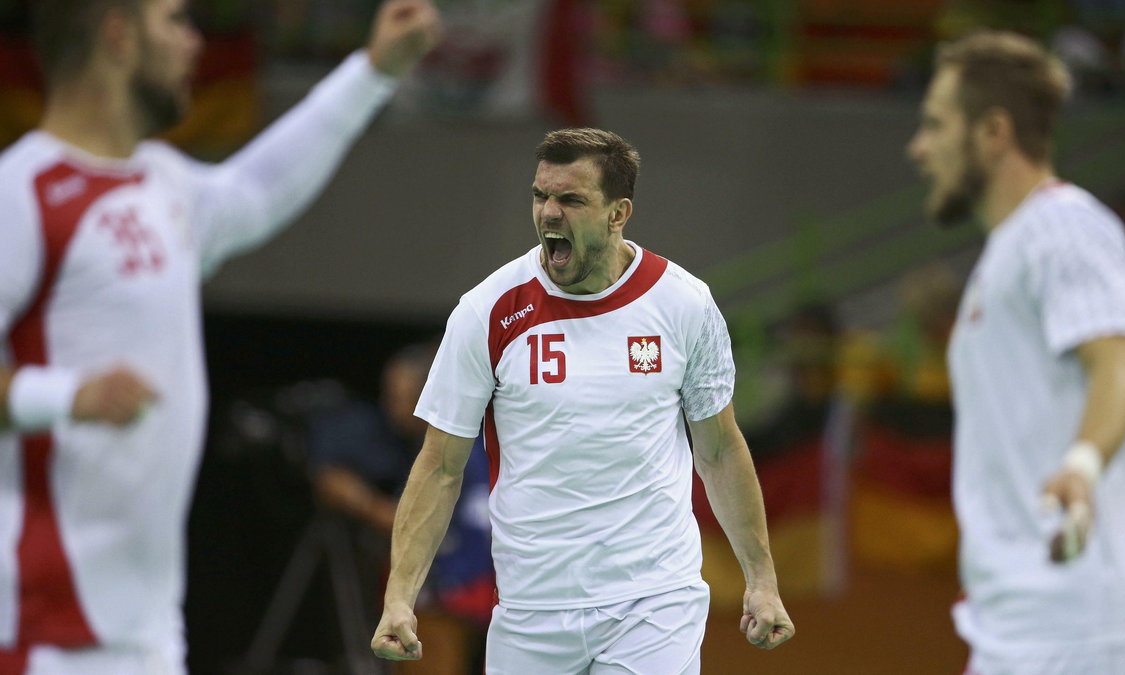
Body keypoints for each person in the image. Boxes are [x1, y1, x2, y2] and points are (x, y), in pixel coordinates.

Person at [0, 0, 442, 672]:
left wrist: (375, 71)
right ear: (118, 35)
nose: (194, 44)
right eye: (175, 21)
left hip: (145, 632)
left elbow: (260, 187)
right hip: (43, 629)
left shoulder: (163, 184)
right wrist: (64, 396)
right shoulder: (23, 193)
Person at [371, 128, 794, 672]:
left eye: (571, 199)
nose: (549, 213)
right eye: (540, 195)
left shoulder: (683, 304)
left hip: (654, 598)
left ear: (618, 213)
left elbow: (718, 450)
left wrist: (761, 581)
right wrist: (400, 596)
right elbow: (440, 465)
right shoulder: (487, 311)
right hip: (531, 607)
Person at [907, 30, 1125, 674]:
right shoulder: (1007, 254)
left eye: (935, 125)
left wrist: (1083, 466)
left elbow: (1116, 362)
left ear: (993, 132)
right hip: (1030, 626)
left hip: (1088, 628)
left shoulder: (1063, 225)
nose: (918, 149)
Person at [307, 344, 493, 675]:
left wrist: (357, 498)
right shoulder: (407, 445)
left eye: (398, 397)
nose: (389, 407)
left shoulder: (465, 451)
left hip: (459, 597)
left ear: (429, 394)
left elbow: (432, 526)